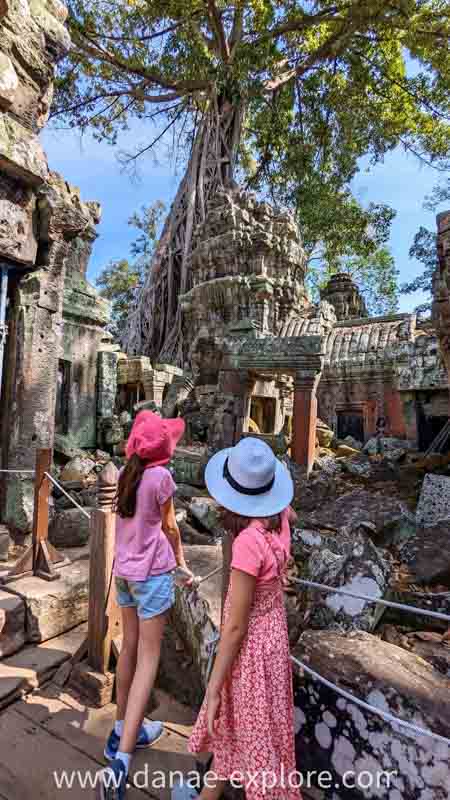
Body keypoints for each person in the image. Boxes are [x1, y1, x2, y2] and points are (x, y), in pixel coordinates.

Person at [175, 436, 301, 800]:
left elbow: (234, 627)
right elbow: (288, 525)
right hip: (274, 636)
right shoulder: (281, 518)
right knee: (246, 728)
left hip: (250, 652)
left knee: (255, 736)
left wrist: (212, 688)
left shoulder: (247, 543)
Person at [98, 411, 193, 800]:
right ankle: (120, 760)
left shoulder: (125, 474)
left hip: (124, 574)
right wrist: (183, 565)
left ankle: (124, 728)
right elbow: (170, 527)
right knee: (149, 659)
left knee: (130, 651)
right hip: (151, 577)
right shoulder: (161, 478)